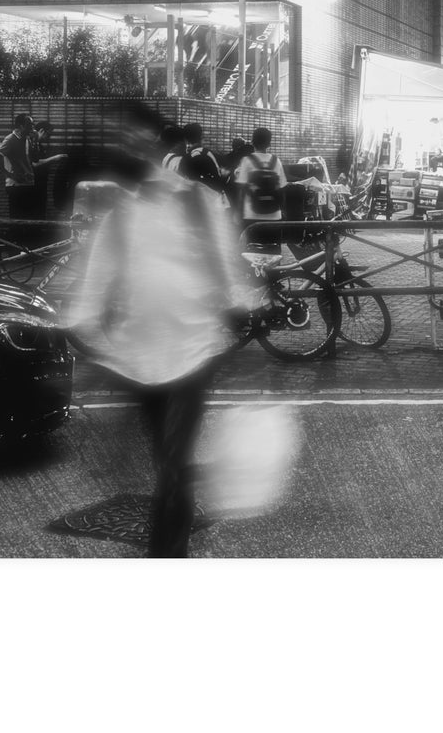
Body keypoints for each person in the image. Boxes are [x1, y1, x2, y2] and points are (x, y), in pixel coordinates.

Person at [70, 101, 259, 558]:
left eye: (133, 137)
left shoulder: (198, 201)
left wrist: (244, 303)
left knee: (172, 463)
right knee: (166, 460)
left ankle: (168, 553)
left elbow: (225, 266)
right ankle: (188, 498)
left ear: (154, 142)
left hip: (194, 351)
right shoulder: (119, 215)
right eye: (117, 140)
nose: (124, 148)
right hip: (138, 359)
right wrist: (82, 329)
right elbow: (95, 282)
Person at [235, 126, 288, 249]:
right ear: (269, 143)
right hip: (274, 215)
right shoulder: (276, 161)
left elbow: (241, 190)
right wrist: (283, 211)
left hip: (251, 216)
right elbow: (282, 189)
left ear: (252, 142)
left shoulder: (247, 160)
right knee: (273, 251)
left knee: (251, 252)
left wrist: (238, 213)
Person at [0, 113, 40, 236]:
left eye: (32, 124)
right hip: (16, 185)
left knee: (26, 220)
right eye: (29, 124)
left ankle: (22, 244)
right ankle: (14, 244)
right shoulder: (11, 139)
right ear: (20, 126)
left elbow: (35, 159)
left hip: (28, 183)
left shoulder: (28, 139)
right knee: (17, 220)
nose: (32, 127)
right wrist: (10, 175)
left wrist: (36, 141)